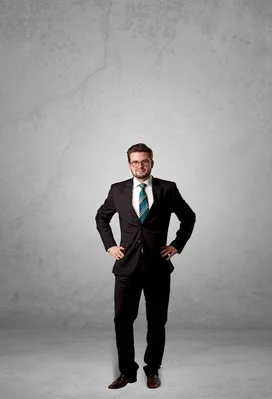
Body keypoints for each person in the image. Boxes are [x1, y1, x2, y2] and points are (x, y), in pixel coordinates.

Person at [95, 143, 196, 389]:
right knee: (122, 320)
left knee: (156, 321)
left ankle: (152, 370)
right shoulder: (117, 190)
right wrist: (110, 245)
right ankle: (127, 371)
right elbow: (101, 218)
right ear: (129, 164)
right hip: (126, 267)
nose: (140, 166)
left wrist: (176, 246)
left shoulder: (167, 189)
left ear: (152, 162)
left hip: (157, 267)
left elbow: (188, 217)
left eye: (144, 161)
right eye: (135, 162)